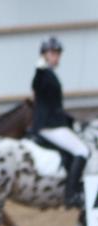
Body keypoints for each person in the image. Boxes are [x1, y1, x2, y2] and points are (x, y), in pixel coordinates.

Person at [31, 36, 90, 208]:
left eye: (58, 53)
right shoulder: (42, 74)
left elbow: (55, 106)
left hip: (55, 122)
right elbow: (37, 85)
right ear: (44, 55)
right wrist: (39, 68)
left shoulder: (50, 73)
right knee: (82, 150)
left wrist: (73, 121)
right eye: (52, 53)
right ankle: (71, 194)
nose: (56, 56)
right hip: (48, 126)